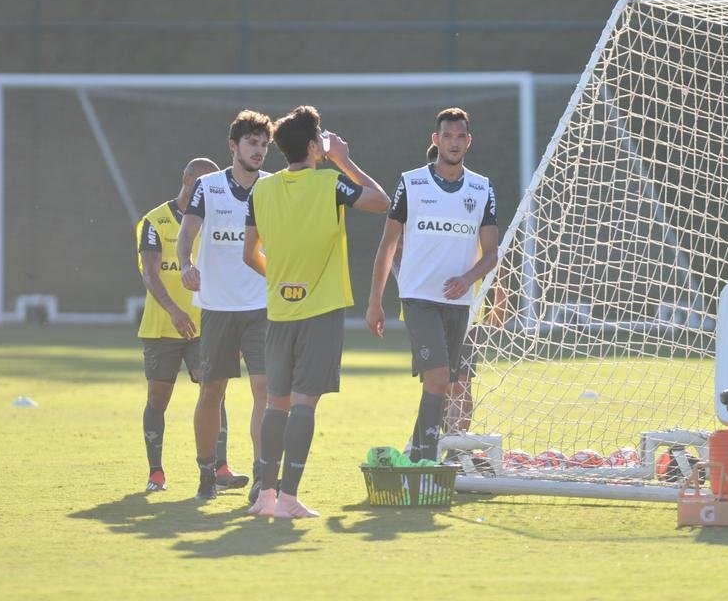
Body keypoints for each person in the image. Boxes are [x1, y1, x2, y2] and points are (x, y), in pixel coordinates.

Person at [243, 106, 389, 518]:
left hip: (278, 311)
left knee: (276, 404)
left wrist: (281, 281)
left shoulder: (261, 190)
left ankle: (265, 496)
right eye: (321, 138)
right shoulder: (330, 182)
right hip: (320, 311)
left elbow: (249, 253)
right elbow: (382, 202)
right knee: (304, 403)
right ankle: (288, 498)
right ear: (312, 147)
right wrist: (343, 159)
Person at [367, 108, 499, 463]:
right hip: (418, 298)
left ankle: (419, 454)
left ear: (468, 141)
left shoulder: (482, 188)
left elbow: (491, 254)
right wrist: (375, 301)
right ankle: (425, 462)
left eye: (460, 137)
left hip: (461, 303)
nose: (454, 143)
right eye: (447, 136)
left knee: (449, 384)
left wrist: (467, 279)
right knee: (439, 378)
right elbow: (388, 245)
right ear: (435, 140)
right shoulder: (411, 183)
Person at [177, 111, 273, 503]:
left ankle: (262, 476)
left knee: (265, 390)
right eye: (252, 143)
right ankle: (207, 472)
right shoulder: (208, 186)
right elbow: (187, 232)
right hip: (217, 306)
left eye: (264, 144)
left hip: (262, 306)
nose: (259, 150)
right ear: (234, 146)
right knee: (212, 390)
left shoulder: (273, 187)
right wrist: (186, 264)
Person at [136, 157, 220, 493]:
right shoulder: (154, 221)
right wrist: (173, 309)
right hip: (162, 327)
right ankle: (156, 472)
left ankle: (219, 468)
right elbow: (149, 273)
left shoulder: (215, 221)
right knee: (158, 398)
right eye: (201, 183)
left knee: (214, 392)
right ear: (186, 179)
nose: (206, 190)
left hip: (205, 326)